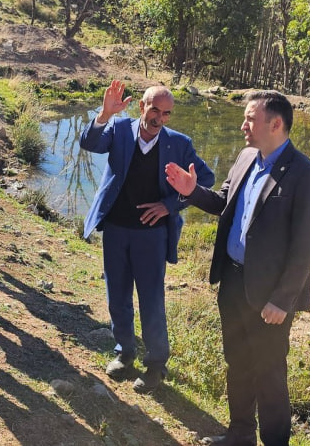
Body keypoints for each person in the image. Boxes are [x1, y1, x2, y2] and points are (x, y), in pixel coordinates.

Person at [165, 90, 310, 446]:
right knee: (236, 363)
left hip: (269, 297)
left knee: (269, 376)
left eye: (250, 119)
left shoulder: (305, 176)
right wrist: (193, 191)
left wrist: (283, 300)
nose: (243, 125)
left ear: (276, 124)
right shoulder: (245, 158)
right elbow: (224, 201)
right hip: (233, 282)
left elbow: (306, 247)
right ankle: (239, 435)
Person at [80, 81, 214, 392]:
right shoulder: (119, 129)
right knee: (118, 297)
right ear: (142, 107)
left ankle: (156, 365)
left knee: (152, 301)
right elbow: (90, 143)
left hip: (152, 237)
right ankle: (125, 352)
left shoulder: (179, 143)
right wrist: (103, 114)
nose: (160, 118)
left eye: (166, 113)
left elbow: (204, 180)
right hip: (115, 229)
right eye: (155, 110)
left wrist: (169, 205)